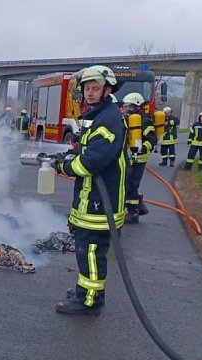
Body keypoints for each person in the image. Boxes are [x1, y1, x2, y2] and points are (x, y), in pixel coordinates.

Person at [50, 65, 126, 316]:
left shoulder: (109, 119)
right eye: (87, 89)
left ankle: (89, 302)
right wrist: (70, 155)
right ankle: (86, 293)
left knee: (91, 253)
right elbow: (88, 152)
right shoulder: (97, 117)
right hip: (92, 199)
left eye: (95, 88)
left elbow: (92, 162)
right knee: (86, 252)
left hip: (99, 204)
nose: (90, 93)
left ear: (107, 90)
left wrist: (65, 165)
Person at [121, 93, 156, 224]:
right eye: (125, 106)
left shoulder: (145, 120)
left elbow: (152, 139)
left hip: (139, 158)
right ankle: (135, 207)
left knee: (131, 184)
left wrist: (143, 148)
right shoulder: (128, 119)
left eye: (129, 106)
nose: (126, 109)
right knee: (127, 184)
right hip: (129, 157)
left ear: (137, 106)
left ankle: (133, 212)